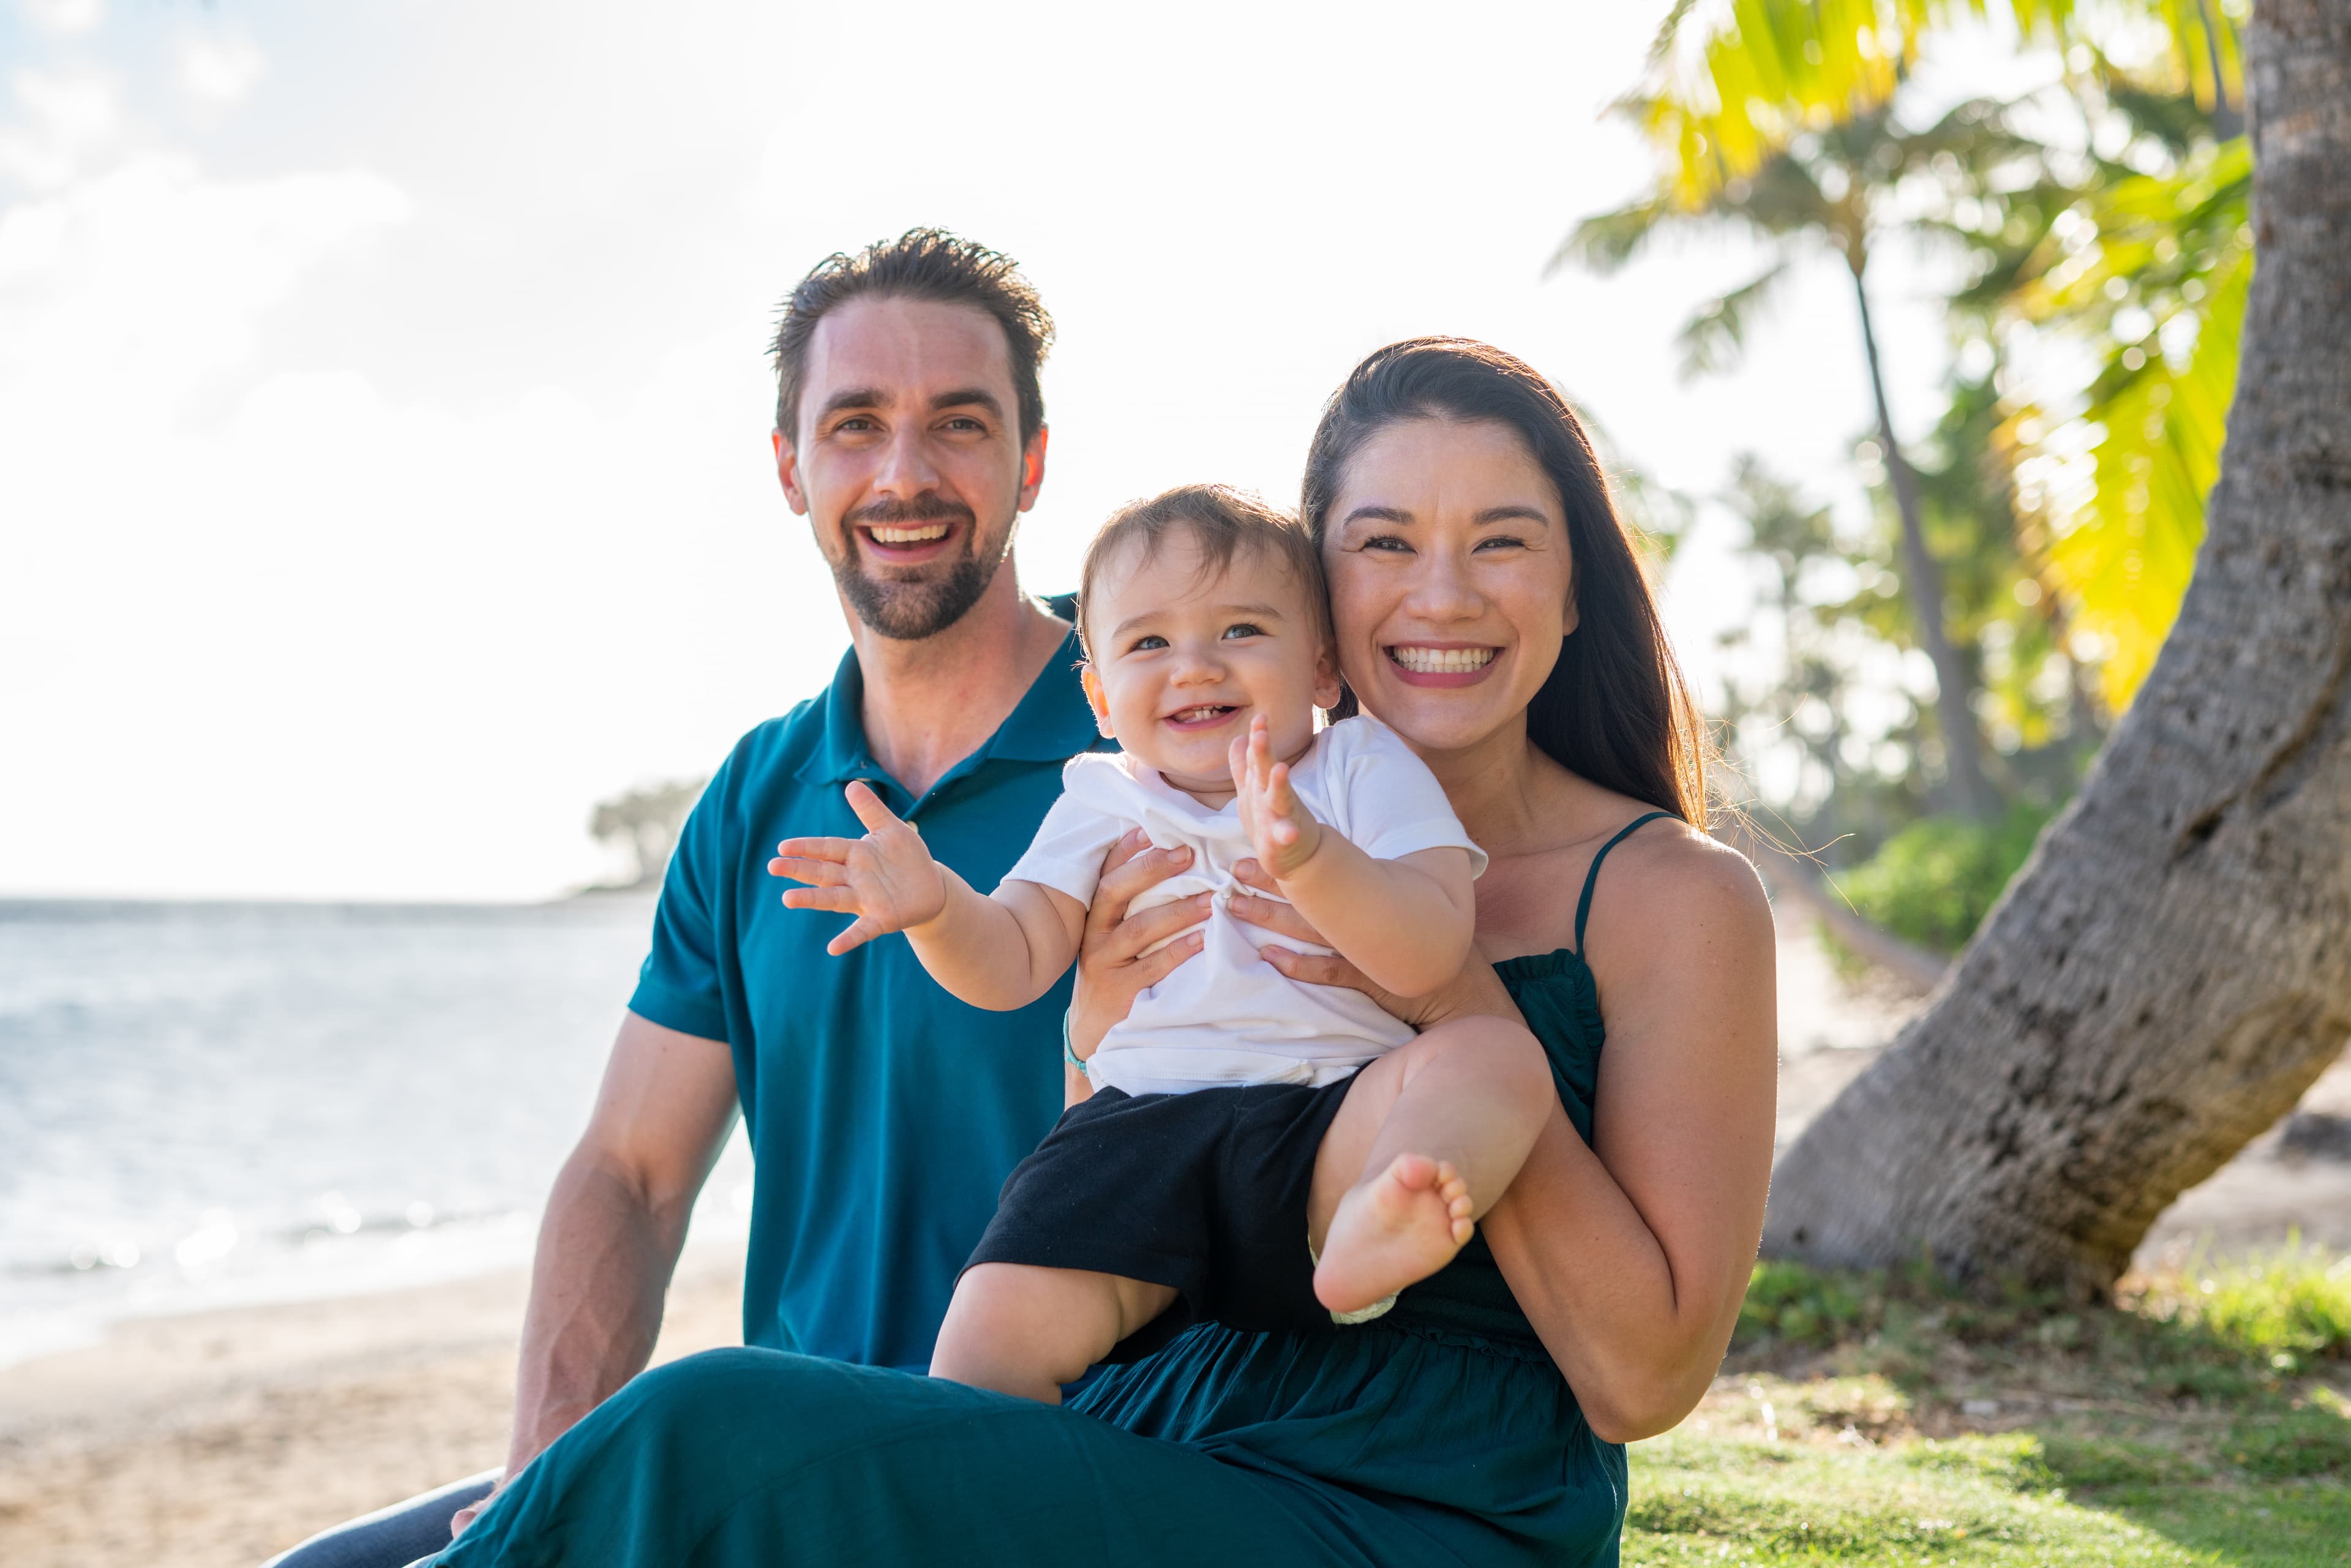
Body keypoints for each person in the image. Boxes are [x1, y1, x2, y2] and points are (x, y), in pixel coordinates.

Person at [425, 336, 1779, 1568]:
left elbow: (1643, 1378)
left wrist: (1448, 992)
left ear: (1573, 587)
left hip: (1423, 1499)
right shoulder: (1164, 819)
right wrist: (1088, 1032)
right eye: (1383, 543)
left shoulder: (1669, 898)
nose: (1440, 593)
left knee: (707, 1425)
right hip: (1141, 1428)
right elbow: (1139, 1175)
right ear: (1321, 590)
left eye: (1501, 542)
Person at [266, 229, 1183, 1567]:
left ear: (1033, 460)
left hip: (1058, 1466)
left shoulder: (1156, 745)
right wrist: (543, 1472)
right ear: (789, 468)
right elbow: (632, 1175)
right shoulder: (757, 792)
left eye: (959, 426)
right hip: (791, 1451)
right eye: (855, 425)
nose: (904, 473)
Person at [773, 484, 1554, 1401]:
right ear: (1102, 695)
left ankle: (1380, 1222)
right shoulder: (1103, 800)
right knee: (982, 1358)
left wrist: (1311, 859)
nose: (1194, 667)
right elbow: (1016, 957)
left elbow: (1429, 950)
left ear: (1322, 672)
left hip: (1327, 1120)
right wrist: (940, 909)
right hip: (1132, 1132)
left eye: (1240, 632)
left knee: (1497, 1056)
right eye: (1149, 643)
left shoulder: (1361, 767)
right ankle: (968, 1472)